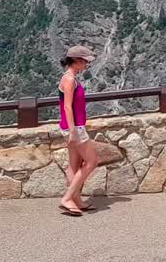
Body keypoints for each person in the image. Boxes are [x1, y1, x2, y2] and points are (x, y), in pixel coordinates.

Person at [58, 45, 98, 217]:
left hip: (70, 126)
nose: (87, 65)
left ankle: (76, 199)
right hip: (75, 127)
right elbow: (67, 107)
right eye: (85, 61)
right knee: (92, 161)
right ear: (76, 61)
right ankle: (67, 198)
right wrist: (74, 131)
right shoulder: (69, 79)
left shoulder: (70, 78)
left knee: (74, 165)